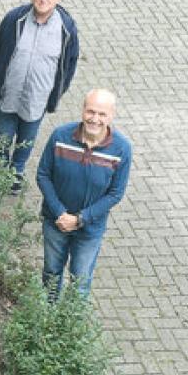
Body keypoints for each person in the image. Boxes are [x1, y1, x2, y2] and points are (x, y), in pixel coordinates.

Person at [0, 0, 80, 195]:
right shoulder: (14, 19)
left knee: (26, 140)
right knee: (2, 136)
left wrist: (57, 92)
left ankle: (16, 172)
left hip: (37, 98)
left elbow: (70, 63)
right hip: (8, 94)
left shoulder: (66, 29)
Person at [36, 89, 131, 298]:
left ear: (111, 116)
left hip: (90, 230)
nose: (95, 119)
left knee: (80, 282)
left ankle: (71, 328)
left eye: (102, 114)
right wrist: (60, 213)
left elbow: (115, 193)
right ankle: (46, 319)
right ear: (82, 110)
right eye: (91, 111)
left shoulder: (122, 149)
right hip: (55, 222)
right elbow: (43, 175)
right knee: (51, 274)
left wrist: (80, 219)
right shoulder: (60, 136)